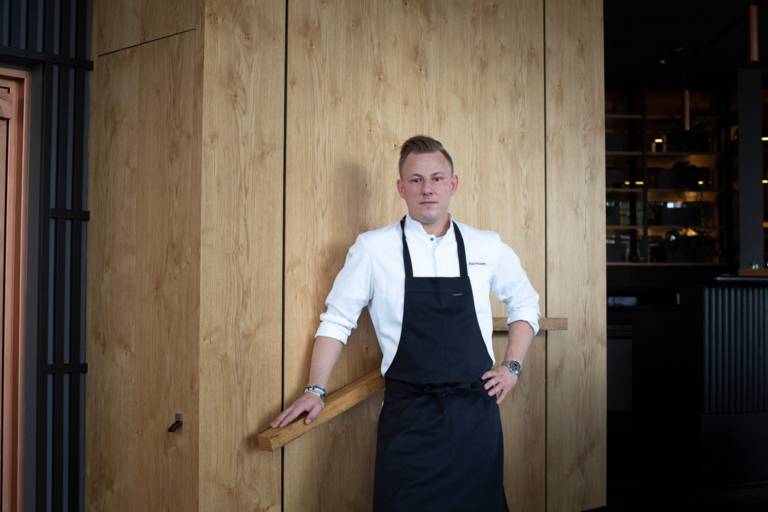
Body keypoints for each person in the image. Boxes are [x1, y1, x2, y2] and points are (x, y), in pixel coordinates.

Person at [270, 135, 540, 511]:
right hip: (408, 418)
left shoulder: (486, 245)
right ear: (401, 188)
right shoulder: (372, 248)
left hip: (474, 418)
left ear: (453, 184)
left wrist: (512, 366)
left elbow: (525, 303)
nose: (427, 188)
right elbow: (337, 321)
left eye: (436, 178)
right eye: (416, 180)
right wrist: (315, 390)